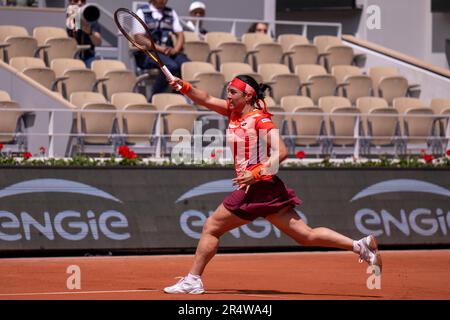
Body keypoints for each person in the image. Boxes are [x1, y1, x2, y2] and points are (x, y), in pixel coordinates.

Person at [163, 75, 383, 294]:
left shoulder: (261, 120)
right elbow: (205, 98)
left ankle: (193, 279)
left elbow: (282, 152)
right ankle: (360, 245)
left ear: (248, 95)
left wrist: (256, 173)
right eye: (228, 91)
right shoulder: (233, 111)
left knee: (211, 228)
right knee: (305, 236)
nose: (227, 96)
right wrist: (182, 85)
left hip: (257, 187)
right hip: (268, 189)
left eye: (232, 92)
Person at [134, 0, 190, 96]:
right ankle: (155, 97)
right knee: (171, 66)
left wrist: (175, 50)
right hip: (148, 54)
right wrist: (160, 48)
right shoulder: (142, 12)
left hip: (167, 52)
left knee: (185, 64)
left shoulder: (171, 12)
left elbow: (180, 34)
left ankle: (177, 95)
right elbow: (139, 37)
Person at [66, 0, 102, 68]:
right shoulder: (71, 18)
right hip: (73, 56)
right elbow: (71, 38)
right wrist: (76, 19)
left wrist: (90, 32)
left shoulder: (91, 18)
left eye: (82, 1)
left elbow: (98, 42)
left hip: (89, 56)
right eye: (76, 0)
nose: (80, 3)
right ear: (71, 2)